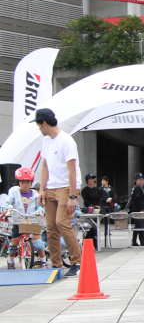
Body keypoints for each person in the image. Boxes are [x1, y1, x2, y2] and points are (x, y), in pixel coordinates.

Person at [32, 108, 82, 276]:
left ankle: (77, 262)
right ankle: (56, 264)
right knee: (51, 228)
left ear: (44, 124)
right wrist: (41, 189)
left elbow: (72, 171)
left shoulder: (66, 141)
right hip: (50, 188)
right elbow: (45, 166)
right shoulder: (45, 141)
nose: (39, 128)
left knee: (62, 222)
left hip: (66, 187)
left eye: (39, 125)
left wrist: (73, 196)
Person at [3, 167, 47, 269]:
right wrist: (5, 209)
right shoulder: (14, 191)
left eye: (27, 182)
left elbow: (40, 205)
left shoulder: (35, 194)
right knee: (15, 242)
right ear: (18, 182)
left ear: (31, 183)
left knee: (38, 242)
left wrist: (41, 210)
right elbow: (8, 202)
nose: (25, 185)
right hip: (18, 220)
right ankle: (10, 260)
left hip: (32, 220)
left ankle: (43, 260)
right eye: (22, 182)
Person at [80, 173, 100, 249]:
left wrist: (97, 206)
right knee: (89, 228)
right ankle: (87, 242)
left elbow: (99, 198)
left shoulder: (96, 190)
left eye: (93, 179)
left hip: (96, 210)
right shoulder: (85, 190)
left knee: (96, 227)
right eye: (90, 179)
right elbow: (86, 200)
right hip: (89, 210)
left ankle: (95, 243)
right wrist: (92, 206)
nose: (92, 180)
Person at [129, 173, 144, 247]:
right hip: (138, 211)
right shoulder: (137, 188)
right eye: (140, 179)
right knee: (140, 226)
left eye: (142, 179)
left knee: (138, 226)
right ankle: (141, 241)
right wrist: (141, 209)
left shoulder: (136, 188)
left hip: (136, 211)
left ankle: (135, 241)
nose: (141, 181)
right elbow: (138, 200)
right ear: (136, 180)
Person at [99, 176, 115, 244]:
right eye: (102, 181)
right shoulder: (100, 189)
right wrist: (105, 200)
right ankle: (105, 232)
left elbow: (114, 197)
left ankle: (108, 231)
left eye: (103, 181)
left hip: (109, 206)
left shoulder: (111, 189)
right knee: (104, 218)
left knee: (108, 219)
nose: (102, 182)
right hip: (103, 205)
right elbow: (99, 198)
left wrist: (111, 199)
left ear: (107, 182)